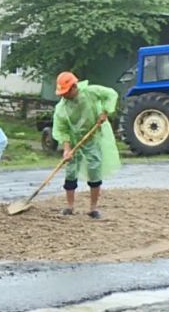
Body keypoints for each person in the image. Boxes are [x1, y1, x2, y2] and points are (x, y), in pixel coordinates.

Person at [52, 71, 121, 218]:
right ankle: (69, 207)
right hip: (73, 139)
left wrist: (104, 112)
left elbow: (111, 94)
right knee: (70, 170)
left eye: (66, 92)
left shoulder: (91, 92)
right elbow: (61, 129)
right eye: (61, 93)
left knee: (94, 169)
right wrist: (66, 149)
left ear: (73, 87)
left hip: (92, 136)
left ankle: (93, 209)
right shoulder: (61, 109)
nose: (64, 96)